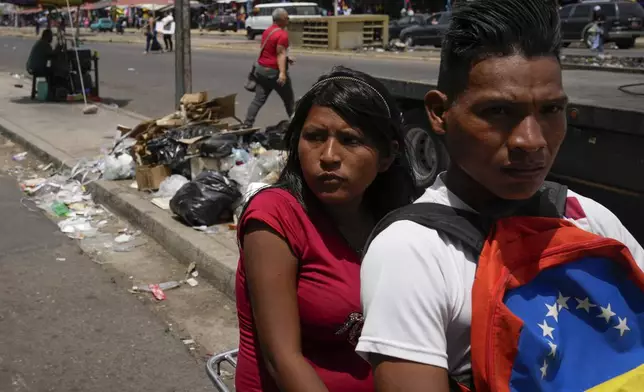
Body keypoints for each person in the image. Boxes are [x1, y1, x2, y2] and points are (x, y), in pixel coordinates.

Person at [356, 0, 644, 390]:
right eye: (497, 111)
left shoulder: (588, 218)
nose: (532, 140)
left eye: (550, 109)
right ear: (439, 113)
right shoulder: (414, 252)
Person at [235, 66, 419, 392]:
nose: (329, 156)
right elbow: (283, 360)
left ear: (388, 156)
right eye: (315, 137)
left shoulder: (394, 220)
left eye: (350, 140)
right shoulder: (274, 216)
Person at [242, 8, 294, 128]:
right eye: (286, 18)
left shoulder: (268, 31)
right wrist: (282, 73)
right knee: (289, 100)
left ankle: (247, 125)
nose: (288, 20)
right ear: (280, 20)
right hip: (273, 72)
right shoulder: (282, 34)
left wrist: (287, 58)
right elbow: (280, 53)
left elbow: (270, 51)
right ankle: (297, 127)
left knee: (258, 100)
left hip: (261, 70)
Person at [26, 29, 54, 100]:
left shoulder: (39, 43)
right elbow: (52, 55)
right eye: (51, 37)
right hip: (36, 68)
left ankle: (49, 91)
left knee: (50, 70)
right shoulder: (45, 44)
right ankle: (50, 92)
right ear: (47, 36)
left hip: (30, 67)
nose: (52, 39)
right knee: (53, 72)